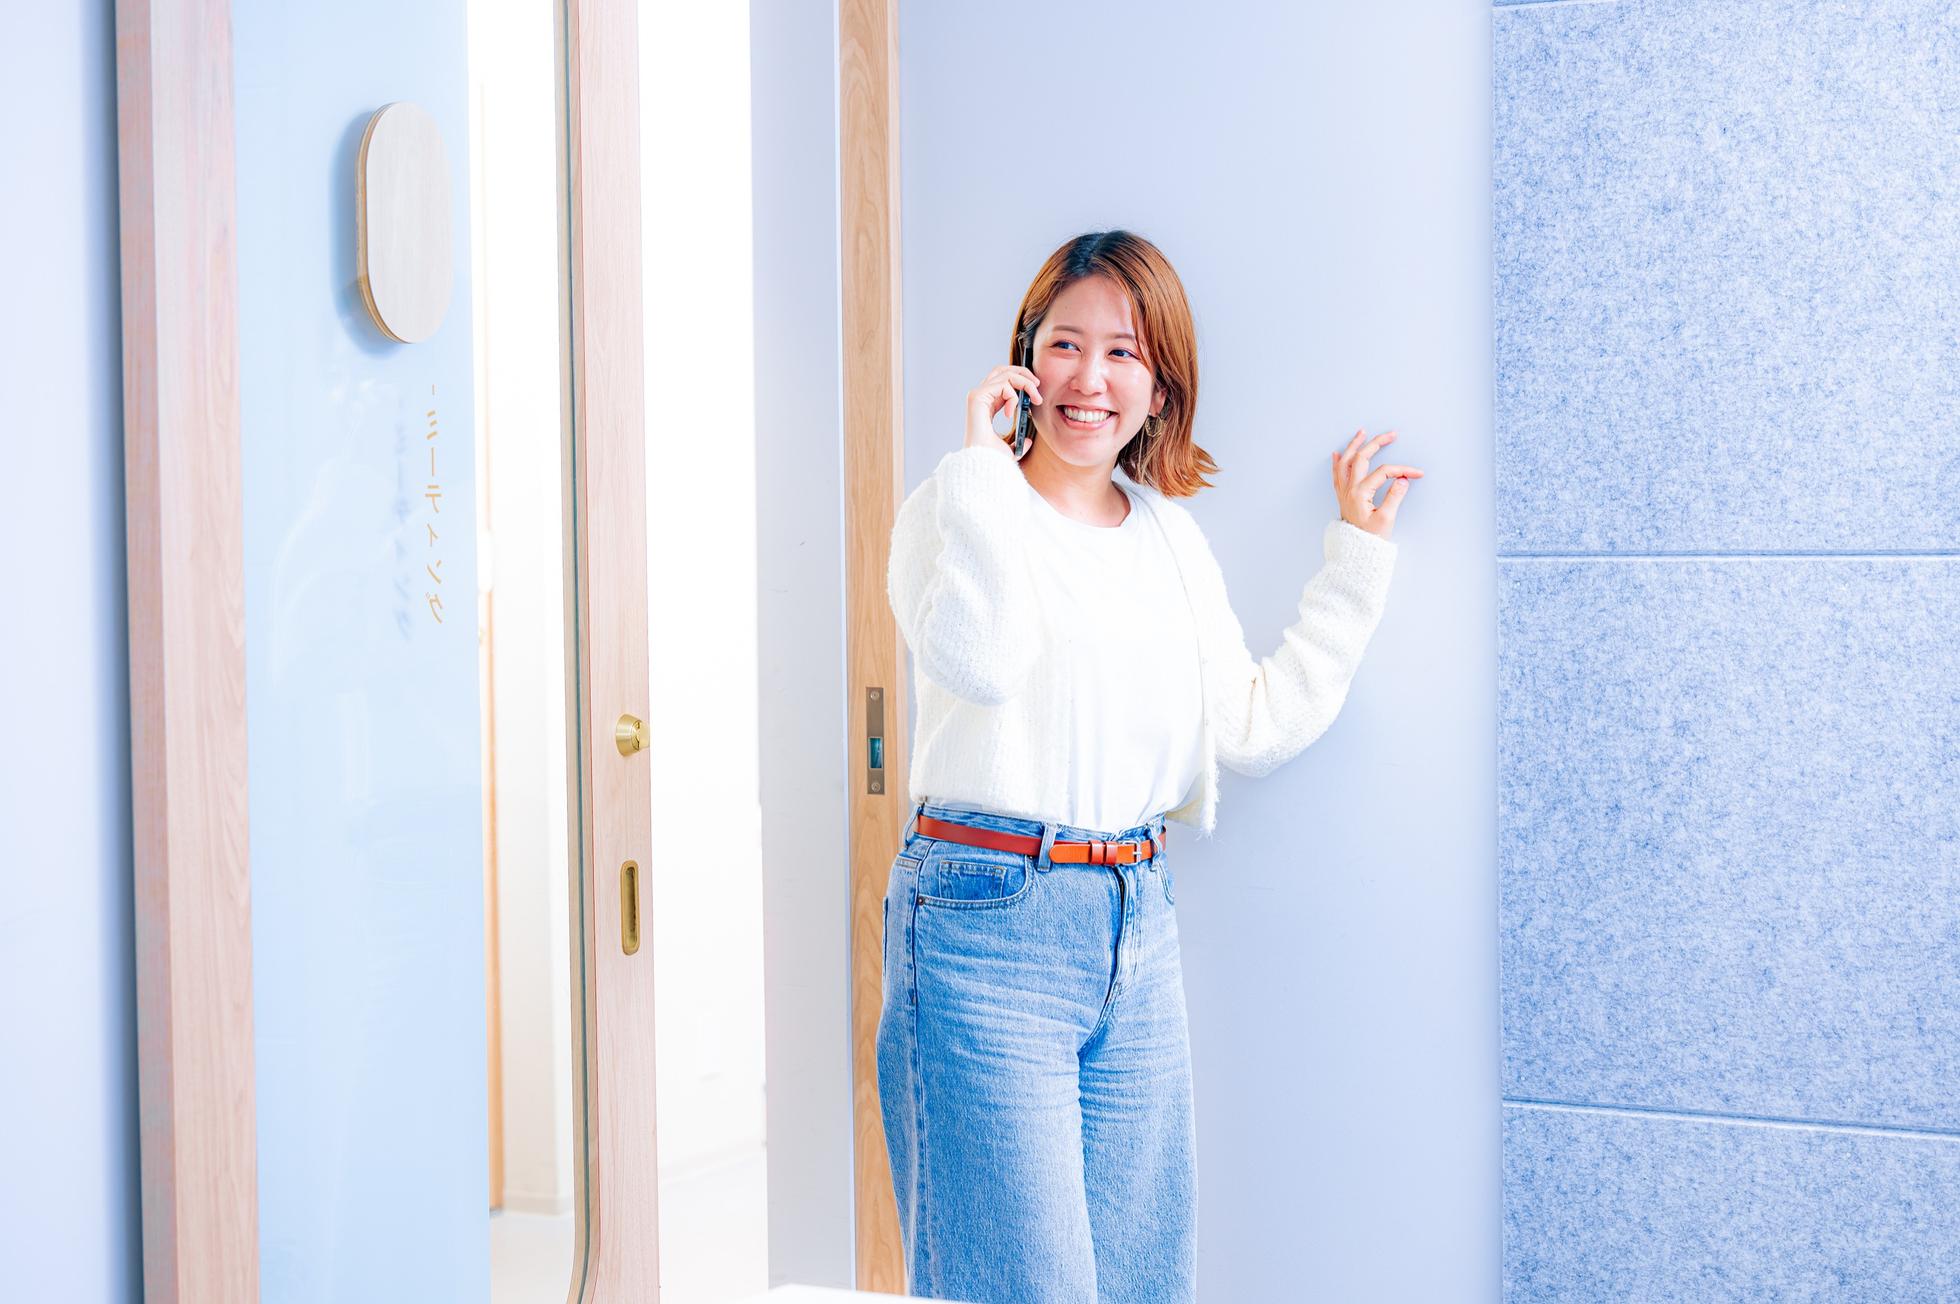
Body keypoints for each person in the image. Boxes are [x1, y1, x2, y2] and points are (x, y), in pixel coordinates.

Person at [876, 229, 1422, 1303]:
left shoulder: (1169, 536)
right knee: (1023, 1287)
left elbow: (1250, 727)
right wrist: (983, 467)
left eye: (1123, 352)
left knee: (1142, 1285)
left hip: (1136, 919)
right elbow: (979, 662)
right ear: (1024, 361)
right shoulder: (958, 505)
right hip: (983, 920)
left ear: (1160, 387)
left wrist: (1355, 560)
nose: (1089, 378)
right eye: (1064, 344)